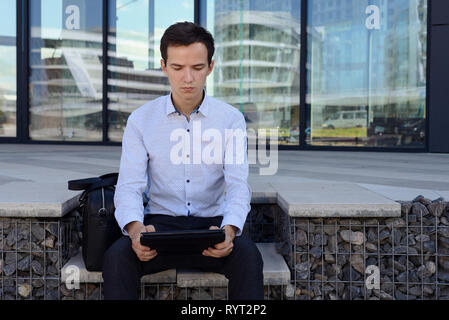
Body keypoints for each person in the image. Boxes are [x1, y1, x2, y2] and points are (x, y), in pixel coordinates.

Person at [102, 21, 264, 300]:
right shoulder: (141, 120)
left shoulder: (230, 119)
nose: (187, 78)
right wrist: (135, 229)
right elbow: (129, 185)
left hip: (211, 226)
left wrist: (230, 229)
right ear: (164, 67)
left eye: (197, 68)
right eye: (177, 68)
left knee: (248, 256)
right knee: (117, 258)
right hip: (158, 227)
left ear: (210, 67)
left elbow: (238, 185)